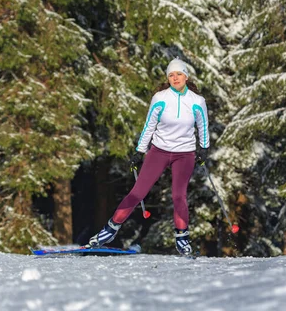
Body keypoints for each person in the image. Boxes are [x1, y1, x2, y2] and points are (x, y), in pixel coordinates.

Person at [88, 57, 210, 255]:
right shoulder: (160, 98)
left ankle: (182, 238)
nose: (175, 78)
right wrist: (139, 151)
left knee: (179, 195)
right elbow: (149, 126)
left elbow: (203, 126)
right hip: (159, 151)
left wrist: (204, 148)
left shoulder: (197, 101)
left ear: (186, 76)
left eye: (179, 74)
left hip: (184, 154)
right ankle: (109, 231)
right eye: (171, 75)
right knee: (137, 192)